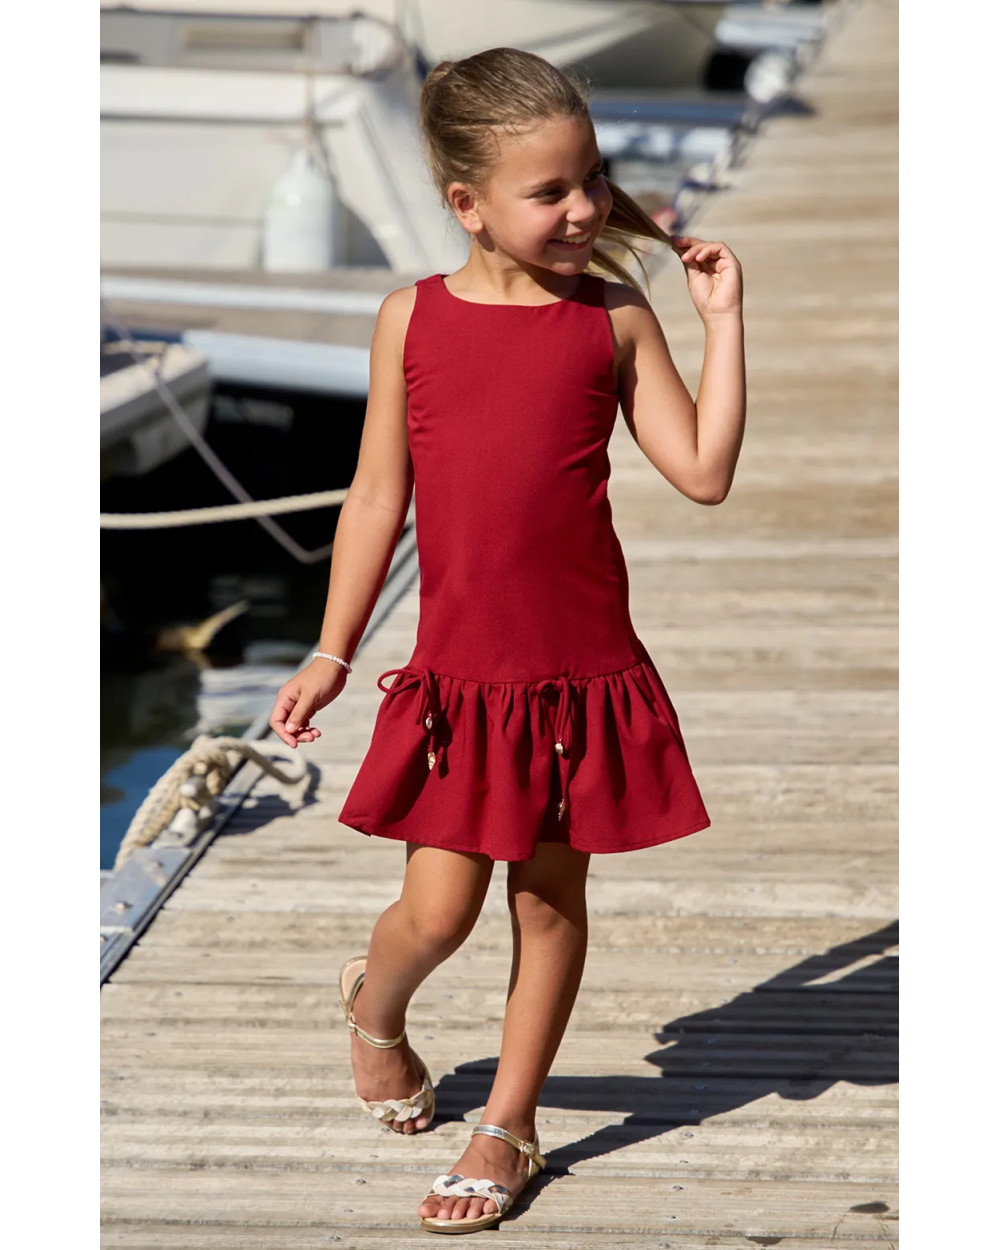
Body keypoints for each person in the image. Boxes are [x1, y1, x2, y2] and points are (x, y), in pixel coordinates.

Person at [268, 46, 745, 1236]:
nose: (583, 208)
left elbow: (702, 472)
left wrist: (722, 323)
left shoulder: (613, 317)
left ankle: (509, 1123)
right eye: (550, 191)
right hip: (461, 682)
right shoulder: (411, 320)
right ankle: (375, 1008)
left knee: (547, 899)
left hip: (580, 675)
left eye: (591, 179)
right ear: (467, 203)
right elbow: (376, 495)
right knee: (434, 915)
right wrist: (331, 650)